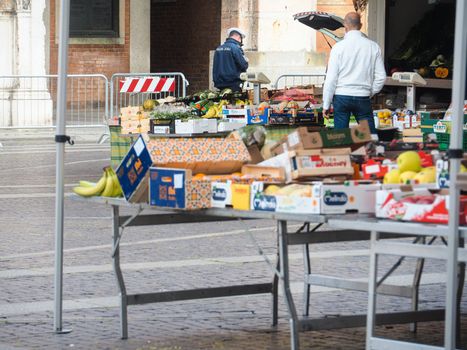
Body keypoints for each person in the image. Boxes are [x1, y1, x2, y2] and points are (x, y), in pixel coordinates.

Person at [322, 12, 386, 134]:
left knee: (340, 138)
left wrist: (326, 104)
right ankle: (372, 152)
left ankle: (343, 152)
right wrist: (370, 92)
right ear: (361, 25)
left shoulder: (338, 48)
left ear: (345, 26)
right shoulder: (373, 47)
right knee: (370, 137)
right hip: (363, 97)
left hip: (341, 97)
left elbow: (331, 79)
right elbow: (381, 77)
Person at [213, 28, 249, 92]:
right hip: (233, 84)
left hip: (220, 84)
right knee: (235, 101)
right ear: (238, 37)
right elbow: (243, 65)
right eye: (241, 39)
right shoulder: (235, 48)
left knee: (223, 101)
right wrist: (246, 61)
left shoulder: (218, 48)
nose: (241, 41)